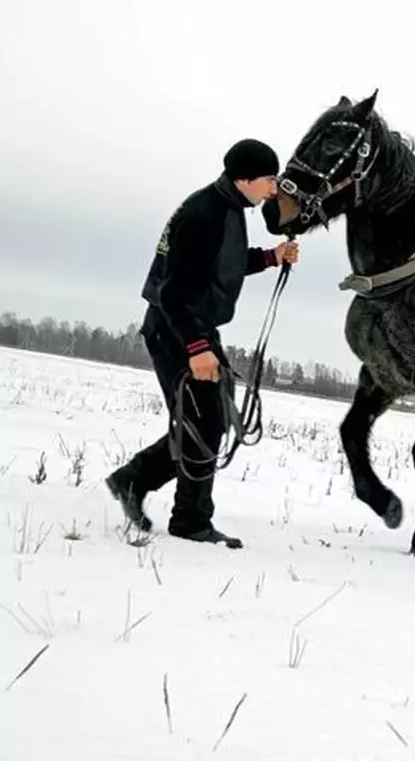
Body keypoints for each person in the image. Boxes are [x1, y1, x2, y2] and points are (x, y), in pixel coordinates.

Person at [105, 138, 300, 548]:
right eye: (269, 178)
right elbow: (172, 291)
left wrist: (270, 257)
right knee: (203, 424)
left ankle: (133, 480)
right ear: (245, 177)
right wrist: (197, 348)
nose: (274, 186)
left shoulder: (226, 208)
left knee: (208, 420)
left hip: (192, 326)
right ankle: (190, 521)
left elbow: (222, 264)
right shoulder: (203, 213)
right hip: (175, 327)